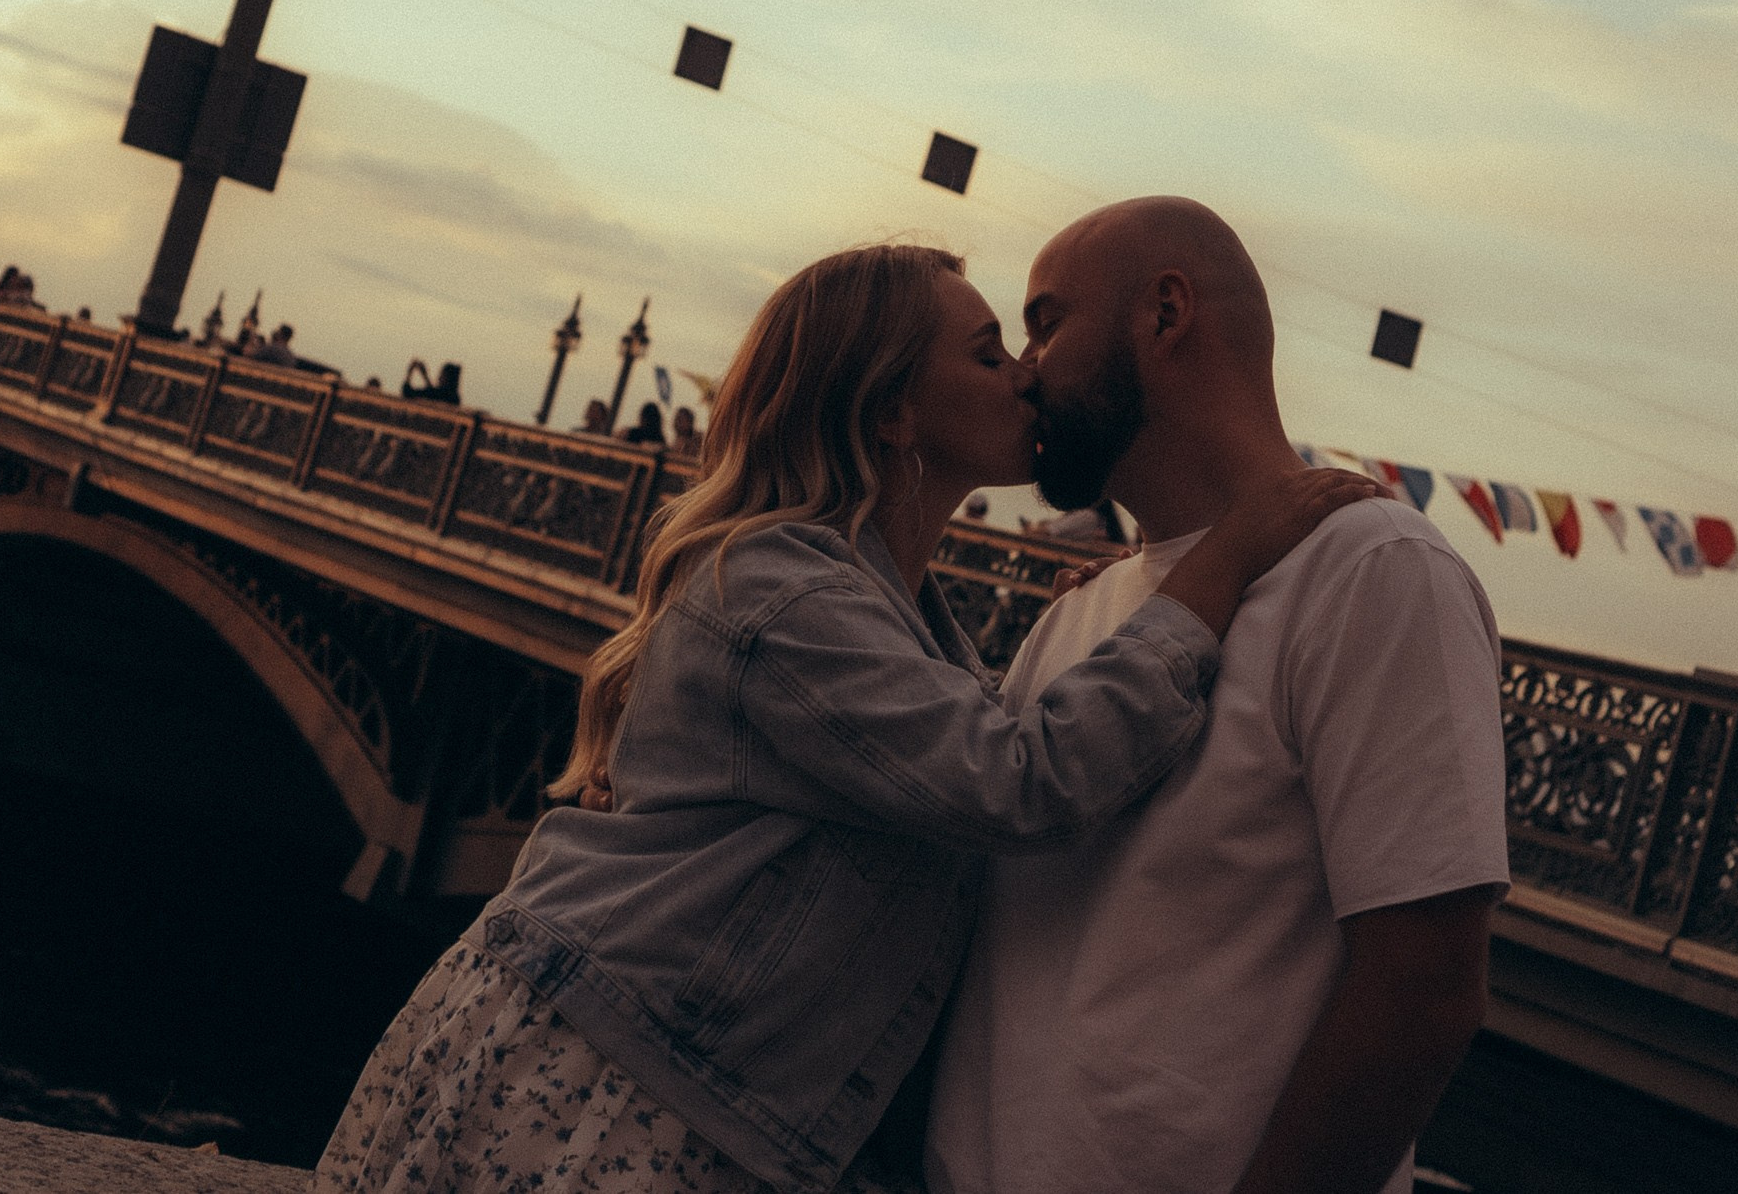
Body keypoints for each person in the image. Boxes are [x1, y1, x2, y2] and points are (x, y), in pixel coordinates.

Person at [312, 243, 1380, 1194]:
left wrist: (1115, 619)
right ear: (891, 411)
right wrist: (1221, 565)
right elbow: (1018, 783)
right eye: (988, 352)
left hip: (678, 1080)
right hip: (608, 1078)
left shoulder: (901, 618)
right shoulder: (781, 590)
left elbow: (947, 774)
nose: (1026, 373)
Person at [925, 198, 1508, 1194]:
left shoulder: (1372, 569)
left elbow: (1424, 987)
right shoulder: (1079, 614)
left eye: (1045, 324)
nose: (1024, 370)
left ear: (1165, 313)